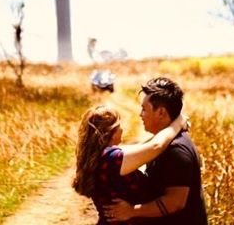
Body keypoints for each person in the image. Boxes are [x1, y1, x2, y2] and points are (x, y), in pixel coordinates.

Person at [104, 77, 208, 225]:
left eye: (144, 109)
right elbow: (148, 146)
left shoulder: (176, 150)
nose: (140, 114)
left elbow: (175, 202)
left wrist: (131, 211)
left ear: (161, 113)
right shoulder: (166, 143)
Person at [72, 103, 188, 225]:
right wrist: (179, 122)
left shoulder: (101, 156)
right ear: (111, 131)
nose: (122, 129)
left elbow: (142, 147)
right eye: (119, 125)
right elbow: (156, 146)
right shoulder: (112, 159)